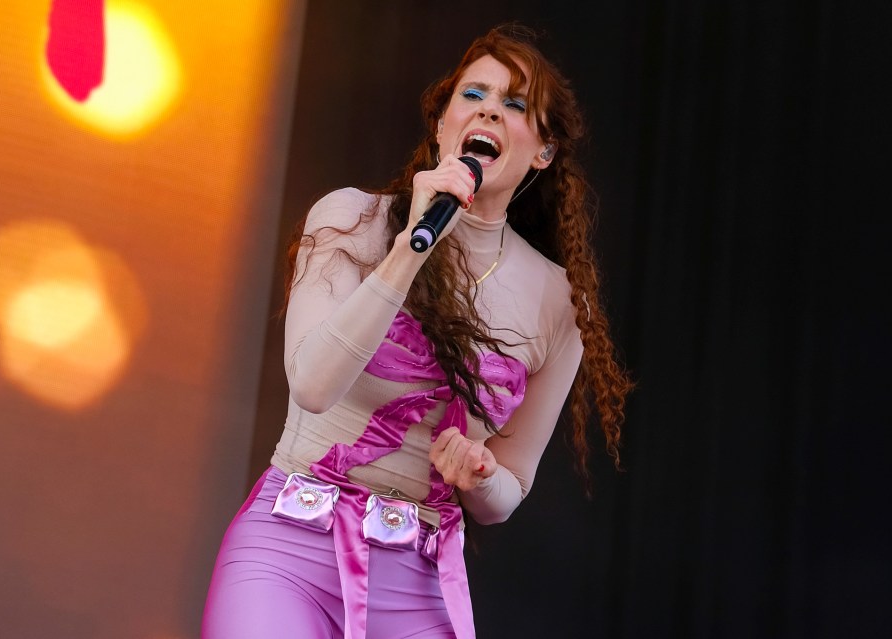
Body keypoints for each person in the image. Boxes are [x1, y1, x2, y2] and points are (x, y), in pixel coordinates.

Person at [202, 24, 633, 639]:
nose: (489, 109)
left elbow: (513, 485)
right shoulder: (353, 219)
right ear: (442, 125)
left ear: (542, 151)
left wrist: (482, 477)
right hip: (289, 550)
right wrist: (409, 250)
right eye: (473, 94)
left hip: (417, 577)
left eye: (515, 105)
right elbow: (314, 385)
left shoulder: (559, 303)